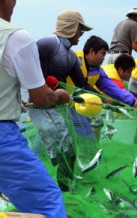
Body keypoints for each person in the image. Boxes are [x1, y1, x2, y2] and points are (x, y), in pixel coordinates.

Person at [0, 1, 68, 217]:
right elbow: (41, 97)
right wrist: (59, 96)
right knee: (48, 205)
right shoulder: (16, 37)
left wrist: (13, 100)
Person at [28, 9, 95, 192]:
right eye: (81, 29)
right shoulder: (49, 43)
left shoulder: (71, 56)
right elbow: (26, 61)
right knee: (51, 151)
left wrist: (112, 101)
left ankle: (63, 190)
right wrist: (45, 81)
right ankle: (30, 188)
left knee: (66, 151)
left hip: (57, 108)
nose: (82, 34)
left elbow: (82, 85)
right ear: (71, 27)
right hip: (40, 107)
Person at [68, 35, 137, 139]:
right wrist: (109, 101)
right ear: (92, 51)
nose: (104, 58)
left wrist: (132, 101)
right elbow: (83, 85)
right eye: (102, 54)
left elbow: (110, 87)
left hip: (79, 105)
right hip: (60, 103)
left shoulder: (97, 70)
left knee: (88, 131)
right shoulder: (73, 60)